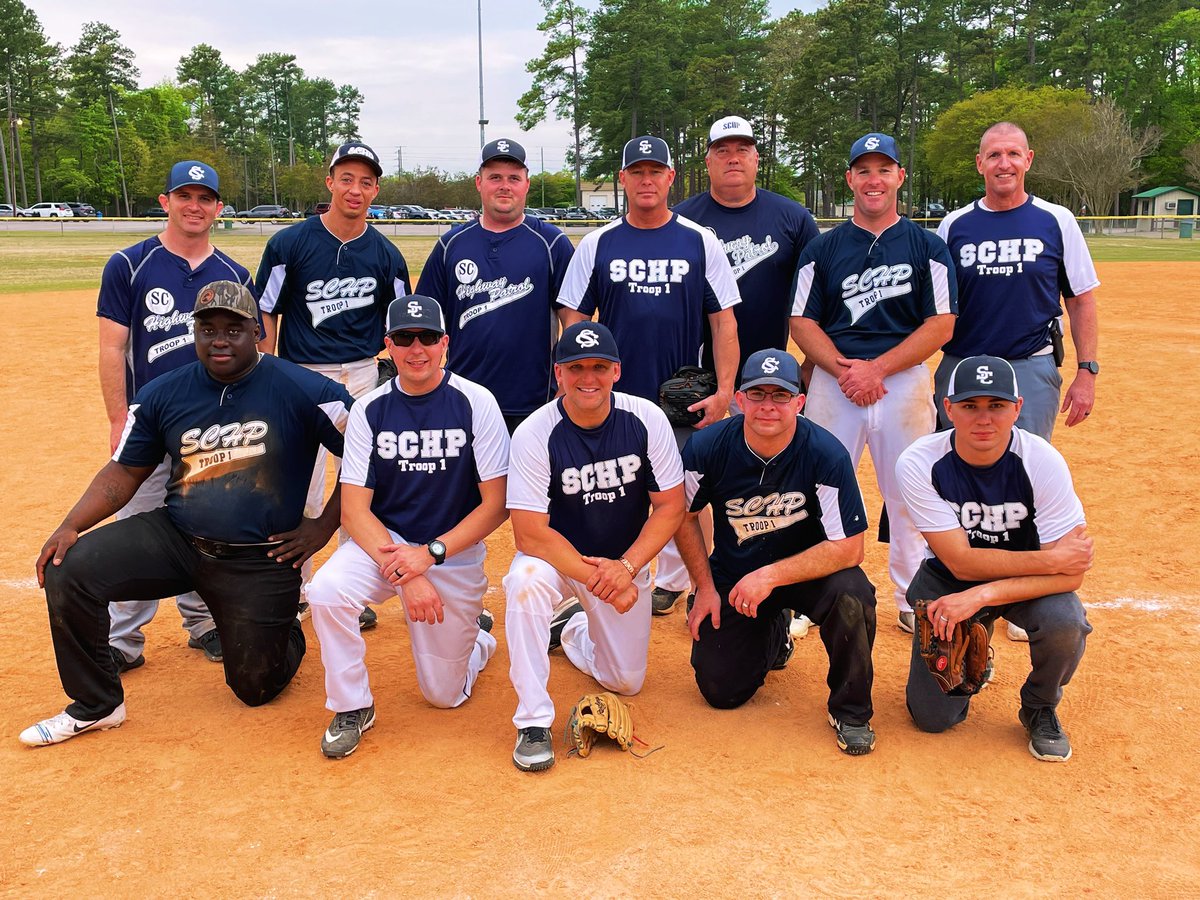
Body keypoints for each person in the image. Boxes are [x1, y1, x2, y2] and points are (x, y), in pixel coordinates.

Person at [22, 282, 352, 746]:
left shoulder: (303, 388)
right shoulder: (163, 393)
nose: (220, 340)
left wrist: (322, 526)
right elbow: (123, 472)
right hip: (179, 539)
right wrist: (71, 525)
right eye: (208, 329)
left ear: (257, 332)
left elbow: (367, 458)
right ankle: (98, 704)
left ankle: (283, 627)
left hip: (259, 557)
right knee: (69, 567)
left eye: (234, 329)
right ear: (193, 333)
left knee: (256, 688)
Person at [305, 296, 510, 759]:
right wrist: (410, 570)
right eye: (403, 338)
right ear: (388, 346)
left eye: (427, 338)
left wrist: (431, 555)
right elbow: (355, 510)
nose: (416, 349)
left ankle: (476, 638)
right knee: (327, 590)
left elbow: (496, 505)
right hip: (387, 546)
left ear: (445, 343)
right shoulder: (370, 409)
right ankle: (351, 705)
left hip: (451, 550)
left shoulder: (477, 402)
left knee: (444, 696)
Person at [558, 135, 740, 617]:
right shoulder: (598, 243)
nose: (645, 179)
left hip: (679, 398)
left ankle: (685, 582)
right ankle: (589, 583)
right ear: (622, 179)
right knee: (608, 491)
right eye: (636, 171)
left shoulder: (699, 240)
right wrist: (584, 379)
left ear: (669, 178)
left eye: (654, 171)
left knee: (686, 496)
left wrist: (724, 391)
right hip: (612, 398)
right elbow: (572, 314)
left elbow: (724, 321)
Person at [935, 122, 1100, 641]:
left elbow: (1081, 299)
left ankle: (1026, 590)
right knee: (956, 474)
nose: (1003, 163)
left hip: (1027, 365)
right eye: (992, 155)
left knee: (1023, 476)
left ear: (1028, 158)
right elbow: (938, 305)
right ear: (979, 164)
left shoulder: (1056, 220)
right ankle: (959, 578)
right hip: (961, 368)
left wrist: (1086, 371)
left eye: (1012, 153)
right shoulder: (954, 225)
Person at [790, 132, 957, 634]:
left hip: (901, 382)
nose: (873, 179)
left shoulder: (928, 247)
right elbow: (801, 322)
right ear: (849, 179)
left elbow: (942, 323)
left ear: (899, 177)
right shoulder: (823, 249)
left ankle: (911, 595)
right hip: (834, 379)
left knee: (909, 489)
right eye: (863, 170)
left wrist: (877, 369)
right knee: (815, 486)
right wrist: (845, 368)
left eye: (883, 169)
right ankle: (808, 594)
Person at [503, 321, 685, 771]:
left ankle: (570, 630)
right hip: (558, 560)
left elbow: (670, 507)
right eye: (576, 367)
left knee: (625, 681)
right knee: (523, 582)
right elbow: (528, 533)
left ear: (617, 371)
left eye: (599, 367)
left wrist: (625, 568)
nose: (589, 377)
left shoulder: (646, 419)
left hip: (624, 560)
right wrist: (600, 579)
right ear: (559, 373)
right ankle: (532, 720)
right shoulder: (534, 433)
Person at [677, 349, 878, 755]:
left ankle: (851, 710)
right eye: (757, 394)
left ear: (799, 402)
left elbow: (850, 547)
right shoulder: (707, 447)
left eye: (781, 396)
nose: (768, 406)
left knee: (853, 595)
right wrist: (704, 587)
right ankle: (775, 634)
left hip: (810, 575)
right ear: (739, 398)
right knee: (720, 690)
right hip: (736, 573)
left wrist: (769, 577)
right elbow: (683, 516)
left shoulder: (826, 453)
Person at [896, 356, 1094, 762]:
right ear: (947, 408)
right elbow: (961, 564)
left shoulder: (1040, 460)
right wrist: (1050, 561)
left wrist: (982, 596)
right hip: (951, 582)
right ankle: (973, 664)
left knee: (1065, 621)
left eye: (996, 406)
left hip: (1022, 588)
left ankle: (1040, 705)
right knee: (932, 719)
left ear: (1018, 408)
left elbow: (1071, 577)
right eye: (970, 406)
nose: (983, 419)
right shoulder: (919, 462)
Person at [98, 160, 251, 672]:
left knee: (210, 529)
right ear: (165, 202)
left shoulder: (234, 275)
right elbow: (111, 348)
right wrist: (119, 419)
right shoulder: (129, 264)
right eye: (184, 196)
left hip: (212, 431)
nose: (195, 206)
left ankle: (206, 623)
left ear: (218, 209)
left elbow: (253, 357)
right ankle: (123, 639)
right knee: (136, 528)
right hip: (148, 424)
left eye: (205, 198)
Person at [255, 141, 413, 631]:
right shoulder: (291, 243)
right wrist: (267, 372)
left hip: (364, 373)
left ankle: (351, 588)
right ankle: (295, 588)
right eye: (347, 178)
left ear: (376, 190)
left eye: (366, 182)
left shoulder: (386, 254)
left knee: (361, 486)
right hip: (304, 375)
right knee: (299, 484)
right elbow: (266, 308)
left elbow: (404, 319)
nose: (356, 189)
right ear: (330, 182)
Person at [674, 114, 821, 636]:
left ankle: (778, 582)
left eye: (743, 148)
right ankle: (683, 576)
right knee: (692, 475)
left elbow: (814, 293)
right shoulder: (685, 219)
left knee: (770, 481)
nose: (733, 157)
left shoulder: (791, 217)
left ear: (758, 157)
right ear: (708, 159)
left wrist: (809, 363)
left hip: (772, 379)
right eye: (722, 149)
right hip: (703, 376)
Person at [415, 138, 575, 434]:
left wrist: (566, 382)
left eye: (514, 178)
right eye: (495, 177)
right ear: (479, 182)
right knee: (464, 482)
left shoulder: (552, 244)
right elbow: (425, 323)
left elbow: (574, 321)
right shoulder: (451, 245)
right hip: (462, 398)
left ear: (527, 184)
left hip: (534, 401)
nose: (505, 186)